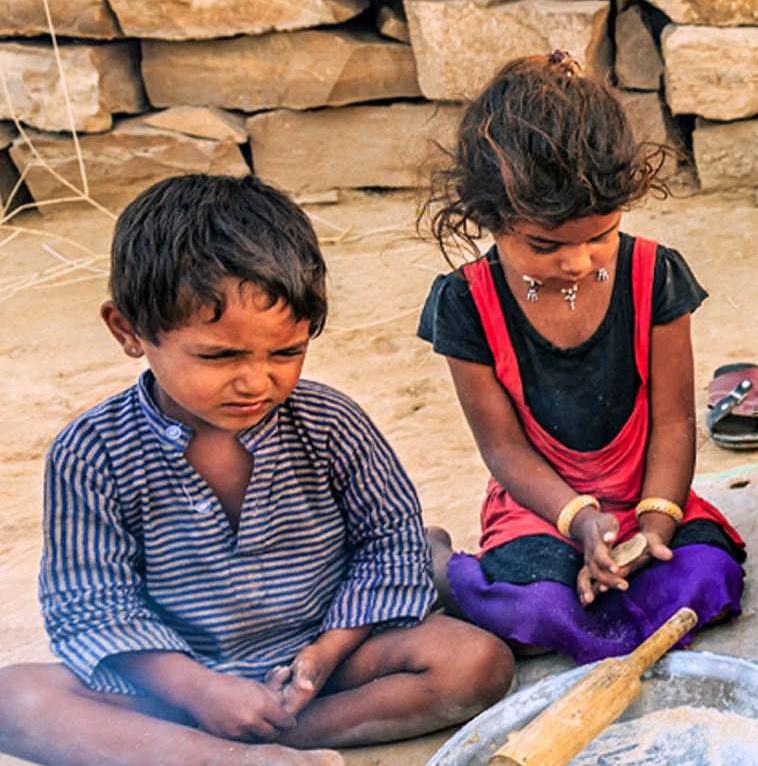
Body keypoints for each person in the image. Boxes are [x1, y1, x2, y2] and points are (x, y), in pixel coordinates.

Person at [0, 175, 515, 766]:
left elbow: (389, 543)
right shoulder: (91, 453)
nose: (255, 380)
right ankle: (229, 758)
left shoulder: (330, 424)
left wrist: (323, 656)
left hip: (324, 661)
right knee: (14, 700)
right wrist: (201, 690)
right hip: (172, 684)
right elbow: (94, 602)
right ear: (128, 331)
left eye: (286, 352)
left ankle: (246, 747)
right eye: (219, 356)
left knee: (475, 663)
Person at [419, 51, 745, 664]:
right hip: (542, 507)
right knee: (541, 609)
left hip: (646, 491)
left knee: (706, 583)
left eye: (601, 234)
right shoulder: (466, 303)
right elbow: (504, 450)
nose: (578, 262)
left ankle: (620, 574)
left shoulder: (655, 274)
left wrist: (655, 526)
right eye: (545, 245)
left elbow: (674, 421)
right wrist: (578, 521)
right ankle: (441, 565)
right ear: (486, 217)